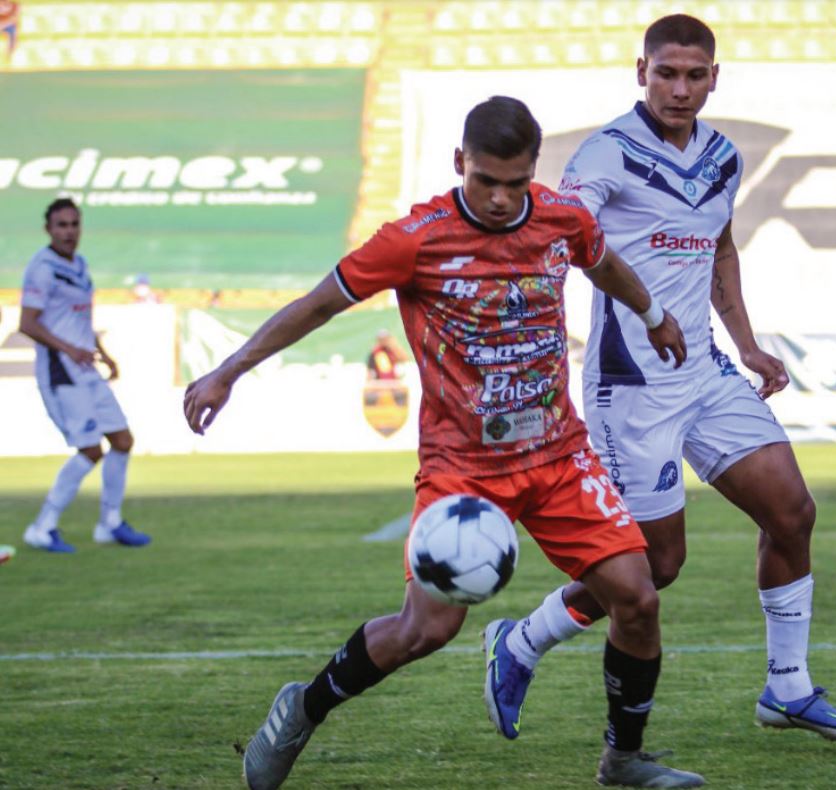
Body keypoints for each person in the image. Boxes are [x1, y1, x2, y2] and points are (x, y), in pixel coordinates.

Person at [183, 97, 705, 789]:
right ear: (460, 162)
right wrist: (227, 370)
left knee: (638, 598)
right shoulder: (413, 239)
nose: (498, 198)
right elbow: (317, 305)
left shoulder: (562, 219)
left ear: (532, 173)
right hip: (463, 471)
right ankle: (302, 709)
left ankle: (624, 758)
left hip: (557, 456)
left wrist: (654, 314)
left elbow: (602, 263)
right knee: (425, 631)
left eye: (513, 184)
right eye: (484, 179)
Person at [483, 15, 836, 743]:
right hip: (631, 385)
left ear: (714, 79)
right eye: (666, 73)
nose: (680, 88)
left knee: (791, 512)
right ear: (641, 72)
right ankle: (520, 641)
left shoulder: (723, 156)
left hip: (705, 371)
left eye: (695, 75)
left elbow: (720, 248)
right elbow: (564, 236)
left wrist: (747, 345)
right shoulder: (605, 155)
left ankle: (786, 689)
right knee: (657, 565)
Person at [19, 198, 151, 553]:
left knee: (122, 441)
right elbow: (27, 324)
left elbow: (78, 321)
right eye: (61, 225)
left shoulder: (79, 265)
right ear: (48, 229)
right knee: (91, 449)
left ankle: (109, 524)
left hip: (85, 366)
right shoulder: (42, 268)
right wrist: (69, 349)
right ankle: (42, 527)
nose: (69, 231)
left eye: (74, 224)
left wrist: (102, 354)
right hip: (61, 368)